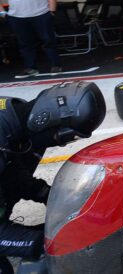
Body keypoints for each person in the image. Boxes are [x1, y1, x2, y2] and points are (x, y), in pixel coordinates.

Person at [0, 81, 105, 272]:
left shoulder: (17, 119)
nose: (61, 144)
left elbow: (12, 175)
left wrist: (45, 193)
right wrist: (39, 243)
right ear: (43, 119)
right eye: (60, 138)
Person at [0, 0, 61, 77]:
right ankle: (31, 68)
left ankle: (56, 65)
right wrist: (2, 12)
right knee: (25, 43)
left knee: (48, 41)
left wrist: (52, 11)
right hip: (16, 16)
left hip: (41, 13)